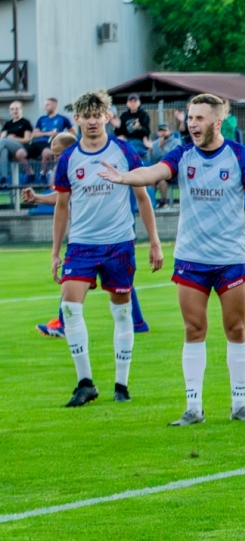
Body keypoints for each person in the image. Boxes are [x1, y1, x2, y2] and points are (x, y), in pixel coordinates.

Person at [100, 92, 245, 425]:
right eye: (190, 118)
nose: (192, 124)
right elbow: (154, 172)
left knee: (236, 328)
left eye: (199, 118)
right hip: (191, 258)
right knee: (193, 329)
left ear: (217, 122)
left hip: (230, 258)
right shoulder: (182, 154)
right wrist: (125, 178)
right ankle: (193, 408)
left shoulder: (240, 156)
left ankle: (239, 405)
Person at [41, 91, 163, 406]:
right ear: (78, 119)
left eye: (98, 115)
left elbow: (142, 198)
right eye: (87, 116)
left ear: (107, 117)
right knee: (70, 308)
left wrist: (154, 242)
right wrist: (55, 251)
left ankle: (121, 385)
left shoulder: (124, 152)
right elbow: (62, 206)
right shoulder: (69, 158)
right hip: (81, 245)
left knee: (121, 312)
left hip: (119, 244)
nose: (93, 121)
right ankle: (85, 383)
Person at [26, 129, 153, 340]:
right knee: (116, 283)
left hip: (110, 234)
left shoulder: (95, 163)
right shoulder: (74, 166)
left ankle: (64, 325)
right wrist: (37, 198)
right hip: (99, 236)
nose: (57, 159)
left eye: (58, 154)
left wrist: (155, 242)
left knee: (78, 278)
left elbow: (68, 197)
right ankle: (137, 323)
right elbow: (65, 197)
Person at [29, 97, 71, 170]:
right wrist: (47, 133)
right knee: (23, 152)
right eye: (45, 105)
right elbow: (34, 134)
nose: (45, 107)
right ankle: (30, 173)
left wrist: (58, 134)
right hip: (38, 143)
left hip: (51, 142)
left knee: (46, 152)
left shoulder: (63, 118)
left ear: (55, 105)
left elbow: (72, 132)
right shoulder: (42, 118)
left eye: (47, 105)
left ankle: (43, 174)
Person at [1, 100, 34, 184]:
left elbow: (27, 140)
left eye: (17, 109)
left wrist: (14, 139)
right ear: (10, 111)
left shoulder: (25, 122)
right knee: (4, 151)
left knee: (4, 141)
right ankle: (4, 178)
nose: (14, 111)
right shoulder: (8, 124)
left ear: (21, 110)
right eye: (12, 109)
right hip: (7, 146)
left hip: (21, 147)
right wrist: (7, 139)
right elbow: (2, 137)